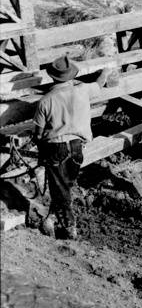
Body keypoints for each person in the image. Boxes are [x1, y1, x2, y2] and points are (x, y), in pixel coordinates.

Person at [33, 56, 93, 240]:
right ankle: (50, 220)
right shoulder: (83, 90)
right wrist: (105, 73)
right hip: (77, 148)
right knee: (63, 187)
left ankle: (69, 228)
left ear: (52, 77)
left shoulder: (45, 101)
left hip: (56, 149)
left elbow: (37, 134)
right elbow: (99, 84)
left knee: (61, 190)